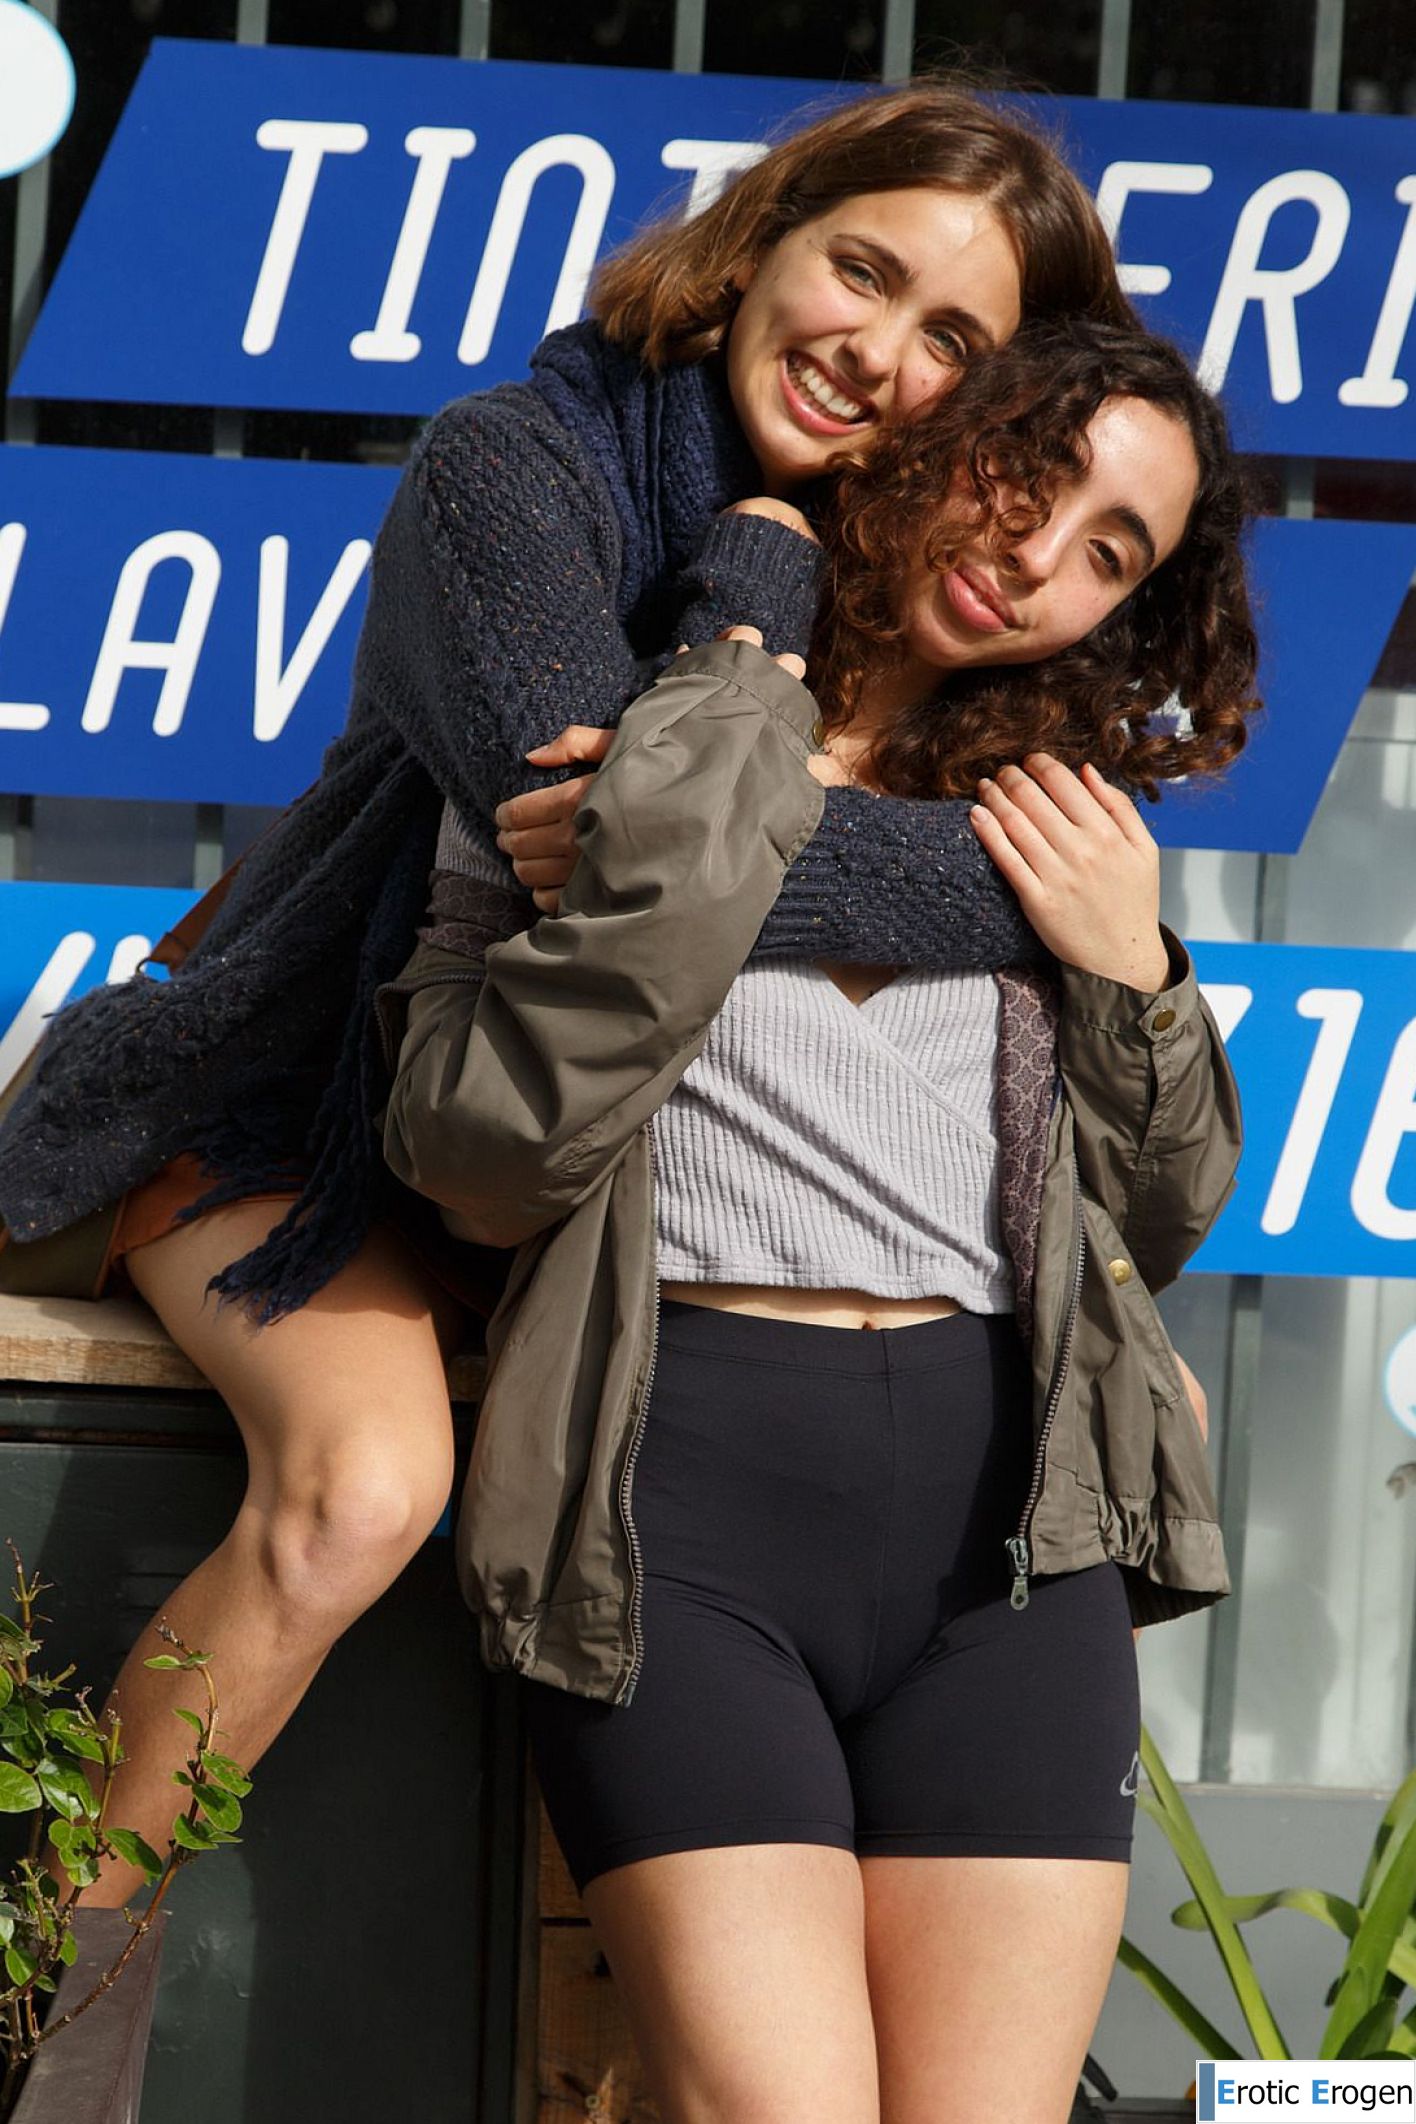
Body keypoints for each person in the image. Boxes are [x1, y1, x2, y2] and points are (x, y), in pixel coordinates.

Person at [0, 81, 1133, 1907]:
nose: (877, 354)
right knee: (364, 1486)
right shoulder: (516, 464)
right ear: (758, 239)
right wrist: (773, 606)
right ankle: (43, 1986)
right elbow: (625, 866)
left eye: (952, 340)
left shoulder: (929, 587)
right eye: (862, 271)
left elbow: (777, 880)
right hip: (304, 1118)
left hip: (593, 1195)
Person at [380, 317, 1255, 2124]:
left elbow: (1159, 1213)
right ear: (935, 433)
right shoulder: (608, 736)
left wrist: (1140, 971)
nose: (1041, 554)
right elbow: (474, 1158)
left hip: (1009, 1540)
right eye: (1029, 473)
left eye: (1113, 550)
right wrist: (716, 715)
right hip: (680, 1503)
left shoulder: (1052, 826)